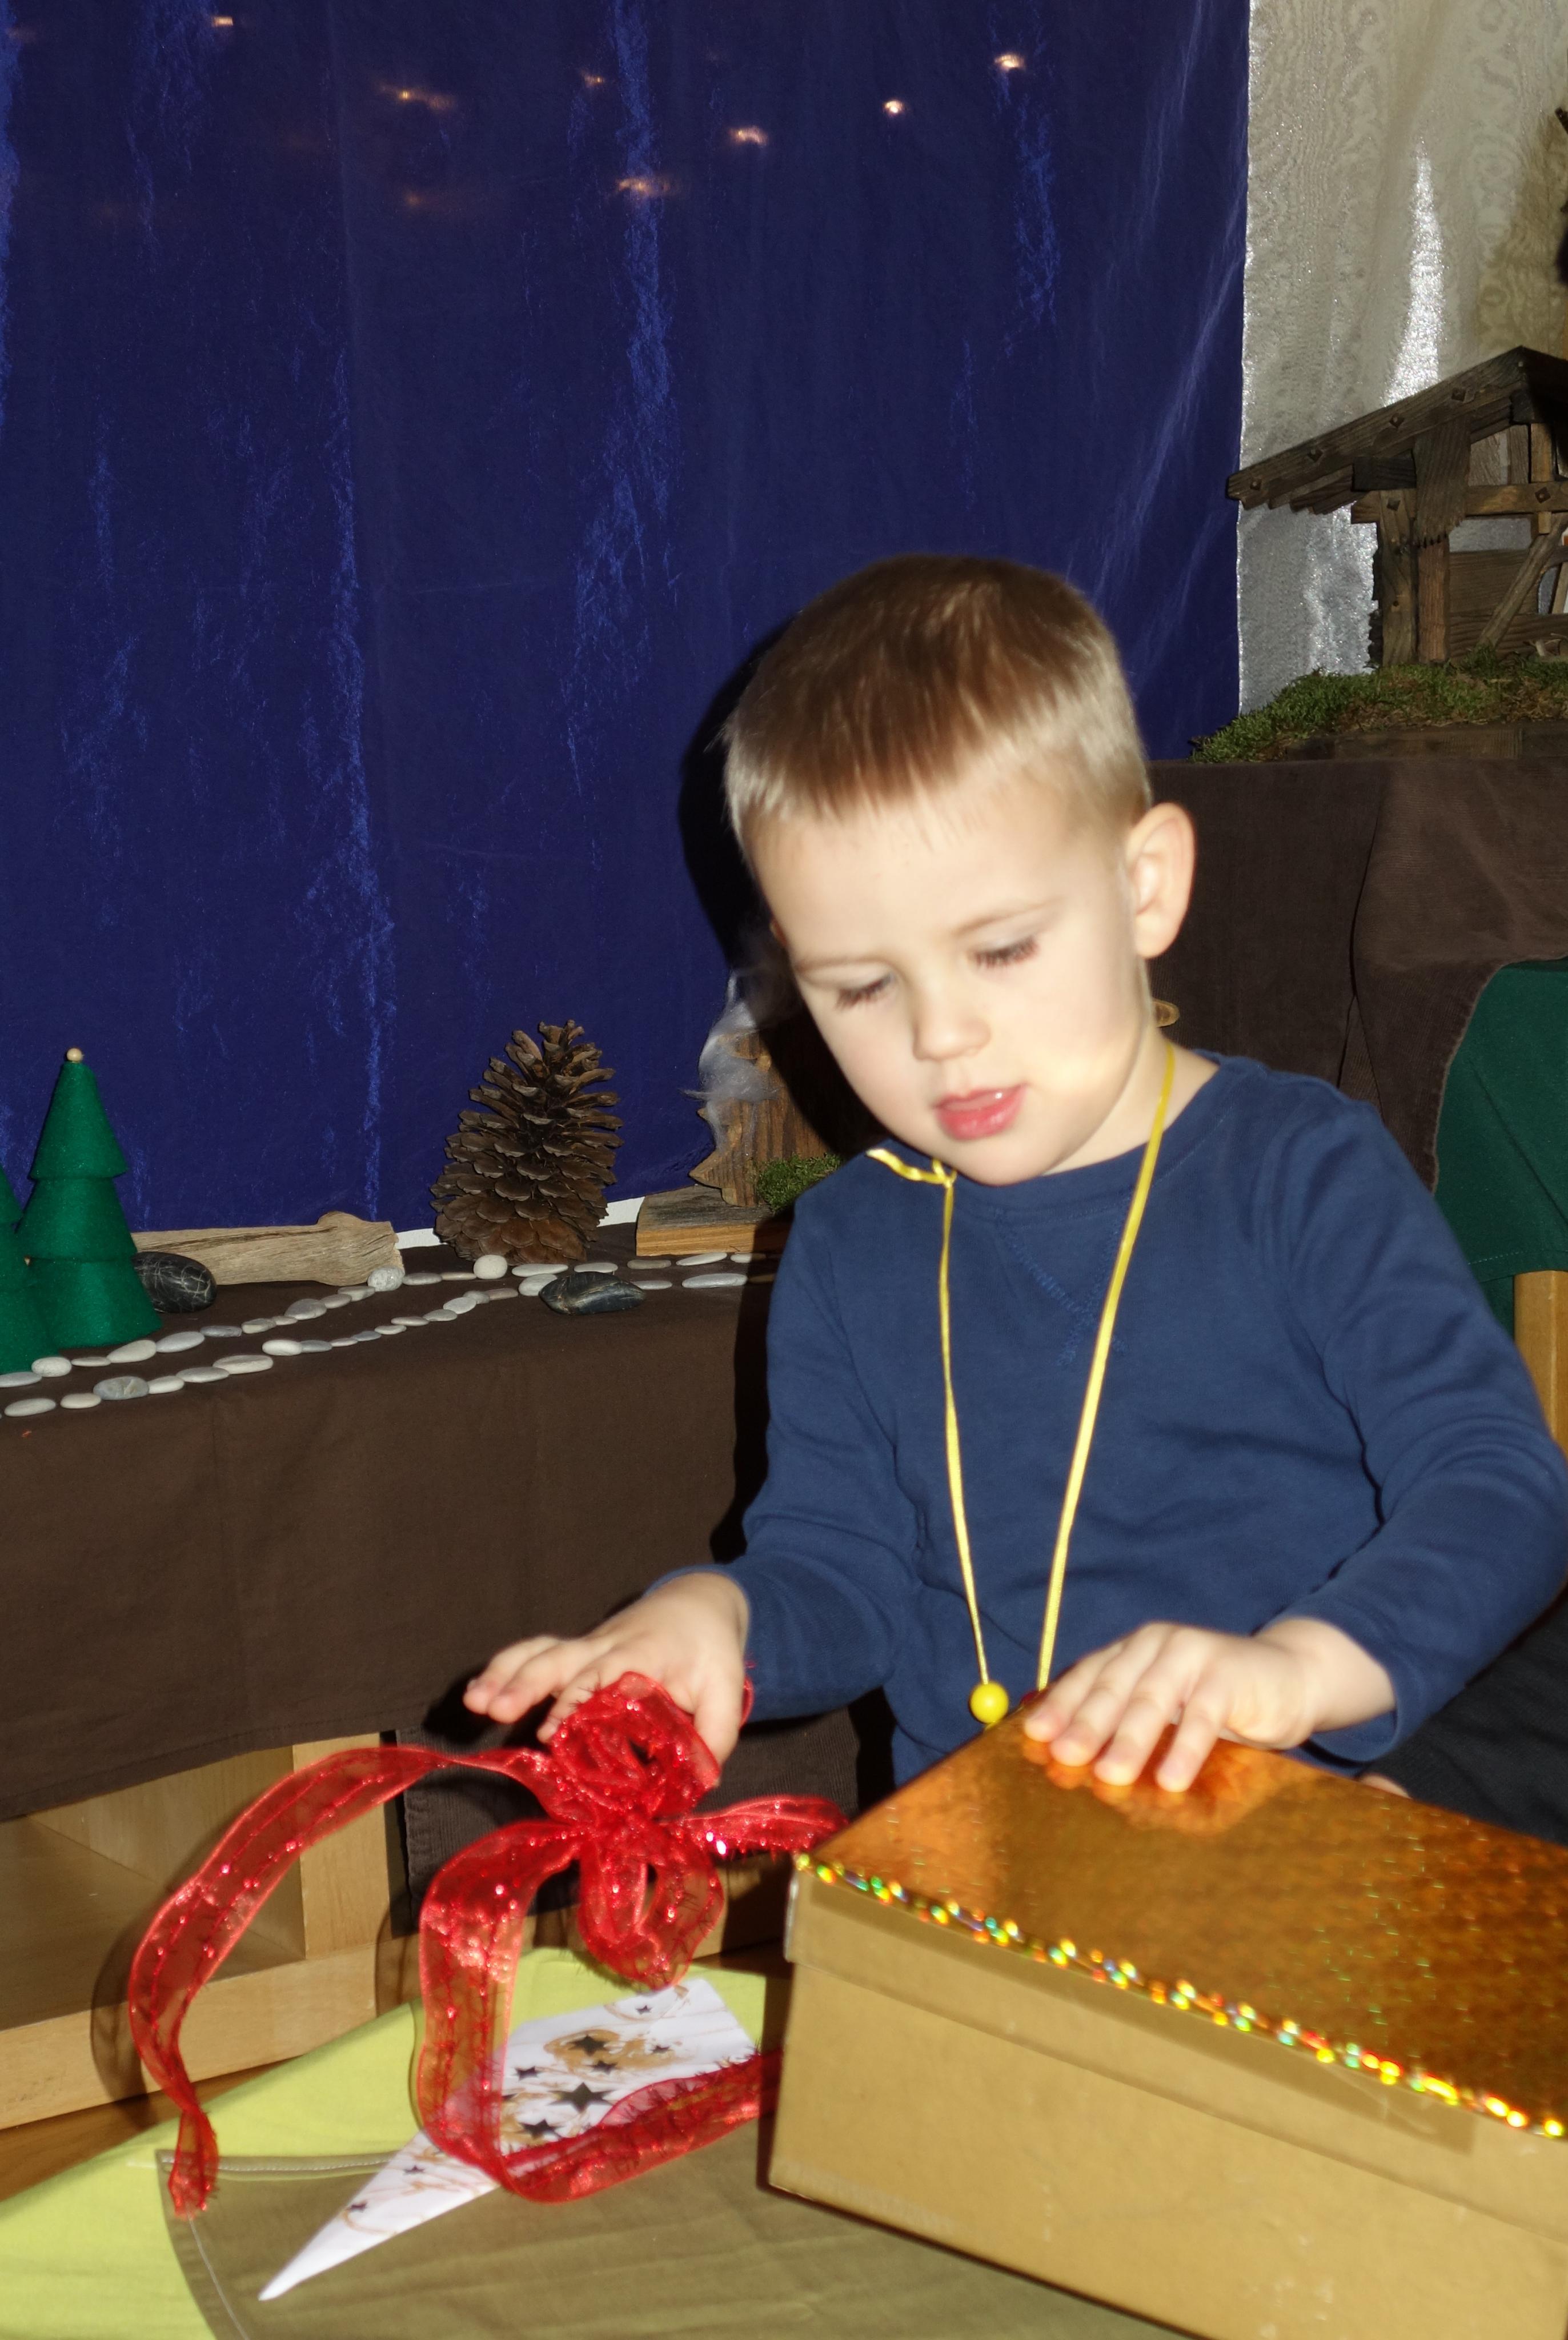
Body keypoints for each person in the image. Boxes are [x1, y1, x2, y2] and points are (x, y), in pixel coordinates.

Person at [466, 555, 1568, 1798]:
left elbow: (1496, 1488)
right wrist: (714, 1617)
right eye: (861, 986)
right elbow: (838, 1570)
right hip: (977, 1860)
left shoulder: (1300, 1175)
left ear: (1144, 886)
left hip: (1291, 1838)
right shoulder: (848, 1239)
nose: (942, 1036)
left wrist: (1299, 1668)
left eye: (998, 950)